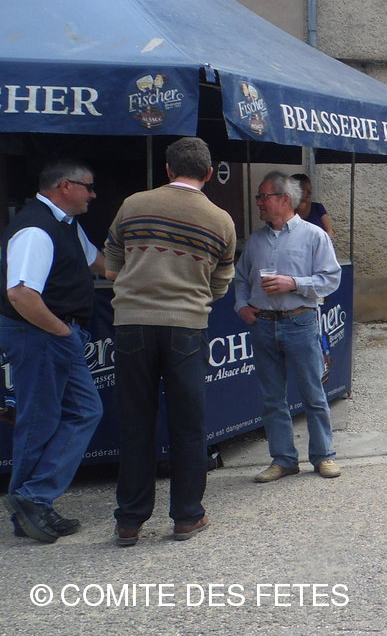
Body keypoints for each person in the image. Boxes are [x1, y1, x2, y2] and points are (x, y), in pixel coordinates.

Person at [104, 137, 236, 547]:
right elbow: (221, 283)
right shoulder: (221, 220)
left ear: (167, 169)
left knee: (135, 422)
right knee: (188, 425)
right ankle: (187, 516)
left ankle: (129, 521)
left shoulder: (133, 205)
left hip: (132, 324)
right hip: (187, 326)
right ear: (209, 173)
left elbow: (111, 265)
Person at [0, 160, 105, 543]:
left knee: (85, 410)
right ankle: (32, 503)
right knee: (39, 420)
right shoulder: (35, 229)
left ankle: (33, 501)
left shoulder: (66, 224)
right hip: (39, 333)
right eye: (88, 187)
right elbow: (21, 294)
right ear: (65, 186)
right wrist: (63, 333)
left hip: (54, 334)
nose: (93, 194)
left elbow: (101, 264)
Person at [234, 172, 342, 483]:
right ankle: (283, 460)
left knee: (313, 393)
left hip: (300, 321)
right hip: (264, 324)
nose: (258, 202)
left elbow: (331, 279)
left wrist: (293, 283)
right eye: (258, 197)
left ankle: (323, 456)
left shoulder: (314, 236)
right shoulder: (255, 241)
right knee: (272, 398)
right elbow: (240, 278)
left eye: (263, 196)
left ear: (284, 199)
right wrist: (241, 306)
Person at [292, 173, 335, 239]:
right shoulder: (287, 211)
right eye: (305, 190)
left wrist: (320, 241)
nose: (310, 193)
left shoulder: (318, 208)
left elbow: (329, 232)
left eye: (310, 189)